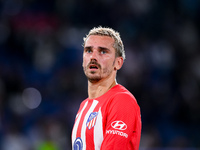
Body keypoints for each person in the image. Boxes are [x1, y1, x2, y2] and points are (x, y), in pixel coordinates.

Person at [71, 26, 141, 150]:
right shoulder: (84, 106)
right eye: (88, 50)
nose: (93, 57)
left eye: (103, 51)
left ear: (118, 63)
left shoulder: (122, 101)